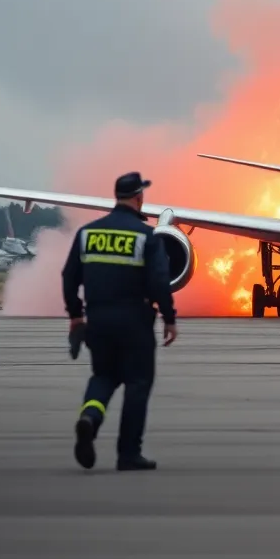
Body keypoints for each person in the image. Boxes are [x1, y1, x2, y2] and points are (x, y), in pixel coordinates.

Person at [62, 171, 177, 471]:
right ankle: (128, 453)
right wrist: (169, 317)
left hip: (97, 319)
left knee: (103, 377)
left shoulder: (87, 233)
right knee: (137, 384)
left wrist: (76, 315)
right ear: (139, 197)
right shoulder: (145, 236)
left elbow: (68, 277)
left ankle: (90, 418)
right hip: (134, 322)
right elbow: (159, 281)